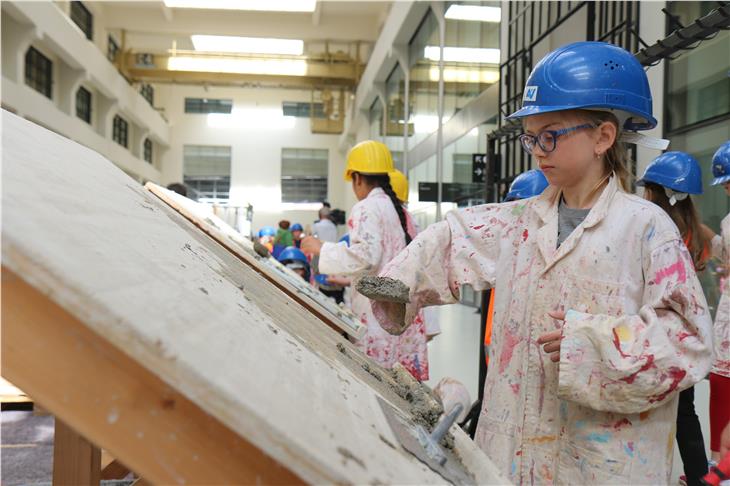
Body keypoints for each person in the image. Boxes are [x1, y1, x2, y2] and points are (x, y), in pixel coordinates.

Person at [367, 41, 713, 484]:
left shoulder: (647, 229)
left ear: (603, 137)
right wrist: (400, 280)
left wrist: (589, 343)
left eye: (550, 135)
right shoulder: (518, 222)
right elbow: (454, 236)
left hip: (600, 462)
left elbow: (687, 341)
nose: (537, 150)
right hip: (514, 451)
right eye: (531, 137)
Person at [301, 140, 428, 381]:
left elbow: (367, 257)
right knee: (397, 386)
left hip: (378, 317)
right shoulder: (397, 211)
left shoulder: (366, 208)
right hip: (400, 316)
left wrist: (321, 249)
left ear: (357, 178)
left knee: (378, 384)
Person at [637, 151, 712, 485]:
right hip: (684, 338)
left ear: (656, 193)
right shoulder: (693, 234)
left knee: (653, 411)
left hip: (656, 336)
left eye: (648, 190)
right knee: (685, 413)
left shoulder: (658, 233)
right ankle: (699, 477)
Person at [709, 141, 730, 466]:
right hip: (727, 316)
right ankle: (719, 463)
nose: (727, 190)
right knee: (720, 383)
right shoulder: (728, 221)